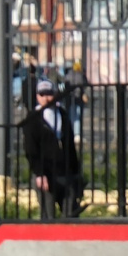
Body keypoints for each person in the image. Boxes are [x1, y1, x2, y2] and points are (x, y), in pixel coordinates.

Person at [22, 79, 82, 220]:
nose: (46, 97)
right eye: (42, 94)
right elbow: (31, 149)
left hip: (64, 172)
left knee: (72, 214)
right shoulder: (33, 118)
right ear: (37, 97)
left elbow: (70, 145)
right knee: (48, 216)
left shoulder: (62, 113)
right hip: (46, 173)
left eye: (49, 93)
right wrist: (39, 173)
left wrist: (75, 171)